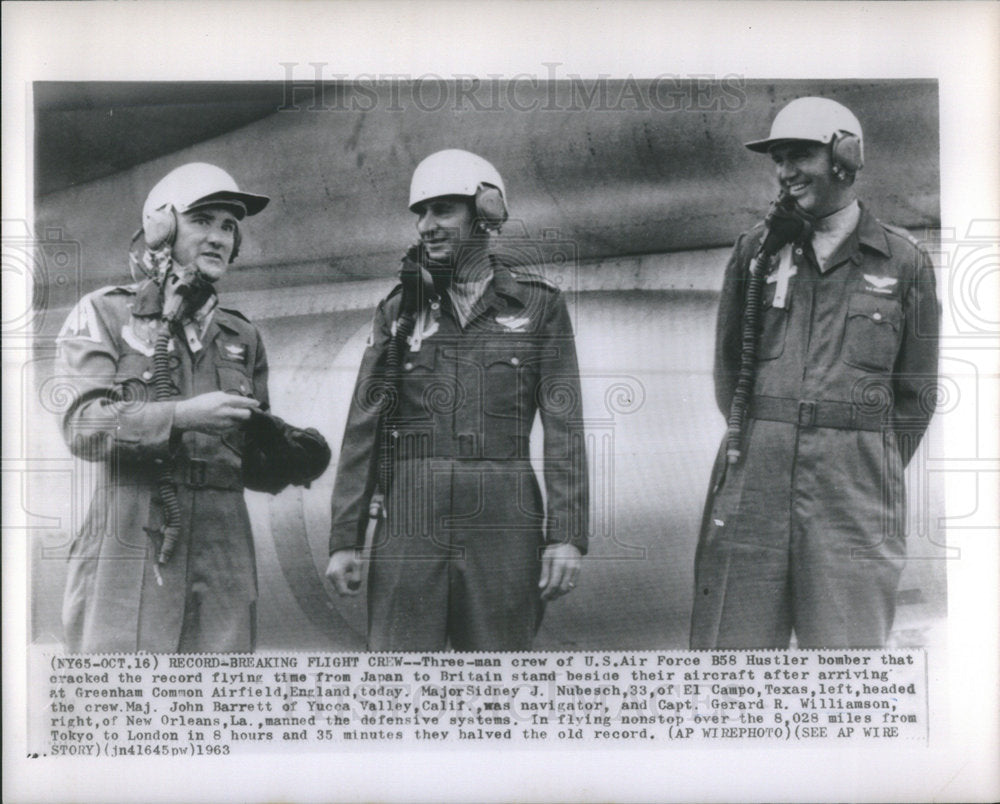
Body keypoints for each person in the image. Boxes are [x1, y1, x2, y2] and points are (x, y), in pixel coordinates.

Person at [690, 98, 940, 649]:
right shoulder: (756, 250)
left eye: (799, 155)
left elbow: (916, 395)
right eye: (778, 160)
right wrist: (771, 437)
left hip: (852, 494)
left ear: (844, 156)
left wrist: (864, 459)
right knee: (731, 654)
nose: (785, 172)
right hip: (755, 480)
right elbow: (729, 372)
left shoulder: (903, 260)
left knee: (847, 658)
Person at [57, 162, 330, 653]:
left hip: (224, 543)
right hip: (133, 529)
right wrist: (183, 417)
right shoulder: (105, 313)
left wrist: (288, 454)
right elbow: (83, 424)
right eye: (202, 221)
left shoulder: (241, 335)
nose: (219, 238)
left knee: (218, 691)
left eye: (228, 227)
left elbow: (247, 461)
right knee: (125, 689)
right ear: (162, 228)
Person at [326, 149, 588, 651]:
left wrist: (566, 534)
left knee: (498, 680)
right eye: (420, 213)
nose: (426, 226)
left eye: (442, 210)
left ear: (485, 212)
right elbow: (364, 427)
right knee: (398, 679)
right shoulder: (399, 311)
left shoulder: (540, 305)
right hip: (410, 517)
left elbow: (565, 427)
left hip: (504, 518)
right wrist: (345, 539)